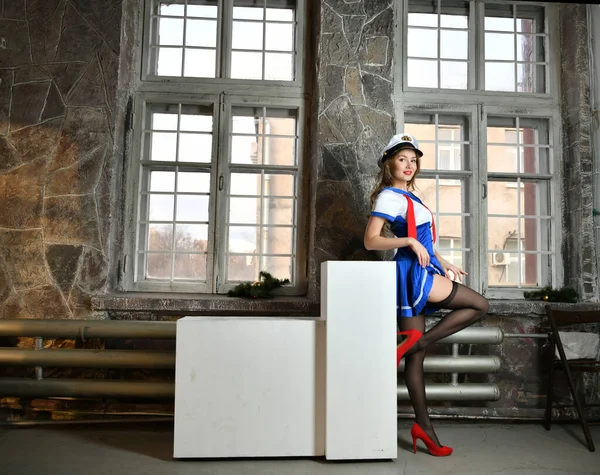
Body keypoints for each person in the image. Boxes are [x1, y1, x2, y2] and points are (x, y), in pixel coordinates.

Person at [363, 133, 489, 457]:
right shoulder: (389, 197)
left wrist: (442, 261)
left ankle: (424, 429)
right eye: (402, 158)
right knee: (478, 304)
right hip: (411, 274)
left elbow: (423, 241)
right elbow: (371, 241)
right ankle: (415, 343)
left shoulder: (412, 198)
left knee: (415, 359)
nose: (409, 165)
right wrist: (408, 243)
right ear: (389, 162)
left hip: (418, 270)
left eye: (413, 159)